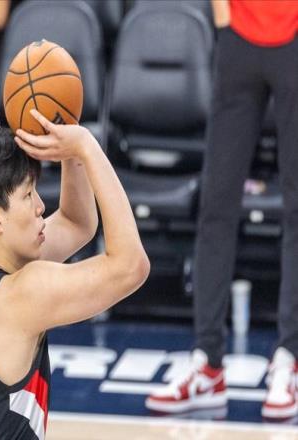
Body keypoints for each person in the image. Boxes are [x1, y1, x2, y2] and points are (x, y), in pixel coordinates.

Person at [0, 111, 150, 439]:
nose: (41, 206)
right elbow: (131, 266)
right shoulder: (21, 295)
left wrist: (69, 147)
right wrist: (88, 147)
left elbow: (76, 222)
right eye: (28, 196)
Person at [146, 0, 298, 420]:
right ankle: (207, 363)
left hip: (292, 36)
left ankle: (290, 358)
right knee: (216, 205)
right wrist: (222, 15)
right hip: (238, 35)